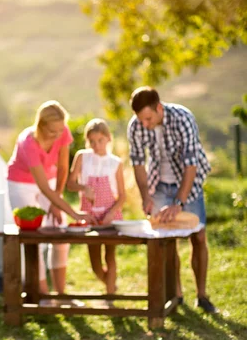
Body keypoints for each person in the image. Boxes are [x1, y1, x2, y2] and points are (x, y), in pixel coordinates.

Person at [127, 86, 218, 313]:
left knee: (198, 235)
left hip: (188, 182)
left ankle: (202, 295)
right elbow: (138, 163)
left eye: (148, 118)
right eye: (141, 120)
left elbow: (191, 164)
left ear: (159, 108)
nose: (145, 124)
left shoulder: (183, 118)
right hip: (158, 185)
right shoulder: (136, 125)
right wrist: (146, 196)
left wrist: (179, 202)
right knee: (166, 239)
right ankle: (176, 295)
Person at [7, 100, 95, 298]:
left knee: (60, 233)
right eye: (52, 132)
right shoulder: (28, 142)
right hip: (21, 183)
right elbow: (43, 188)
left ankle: (61, 295)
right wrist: (73, 212)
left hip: (51, 179)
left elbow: (63, 168)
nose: (57, 136)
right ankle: (43, 296)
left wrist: (58, 205)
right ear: (40, 126)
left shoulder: (62, 131)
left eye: (60, 131)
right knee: (34, 237)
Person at [67, 118, 126, 295]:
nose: (96, 145)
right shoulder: (82, 157)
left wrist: (111, 214)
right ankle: (111, 284)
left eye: (100, 140)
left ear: (108, 138)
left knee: (110, 256)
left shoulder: (115, 163)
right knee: (95, 263)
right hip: (89, 217)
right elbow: (70, 184)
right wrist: (83, 187)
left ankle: (110, 297)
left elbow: (122, 197)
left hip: (110, 217)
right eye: (92, 141)